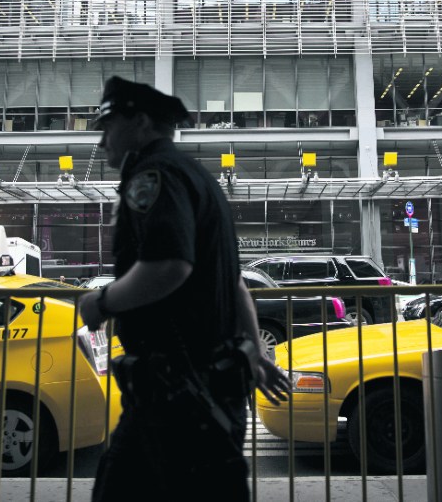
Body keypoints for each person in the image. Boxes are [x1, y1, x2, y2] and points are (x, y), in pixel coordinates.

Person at [79, 77, 290, 501]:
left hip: (176, 398)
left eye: (107, 127)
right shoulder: (198, 177)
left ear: (140, 123)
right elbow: (233, 284)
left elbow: (170, 265)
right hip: (202, 392)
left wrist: (101, 301)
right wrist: (257, 353)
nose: (102, 142)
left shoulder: (153, 175)